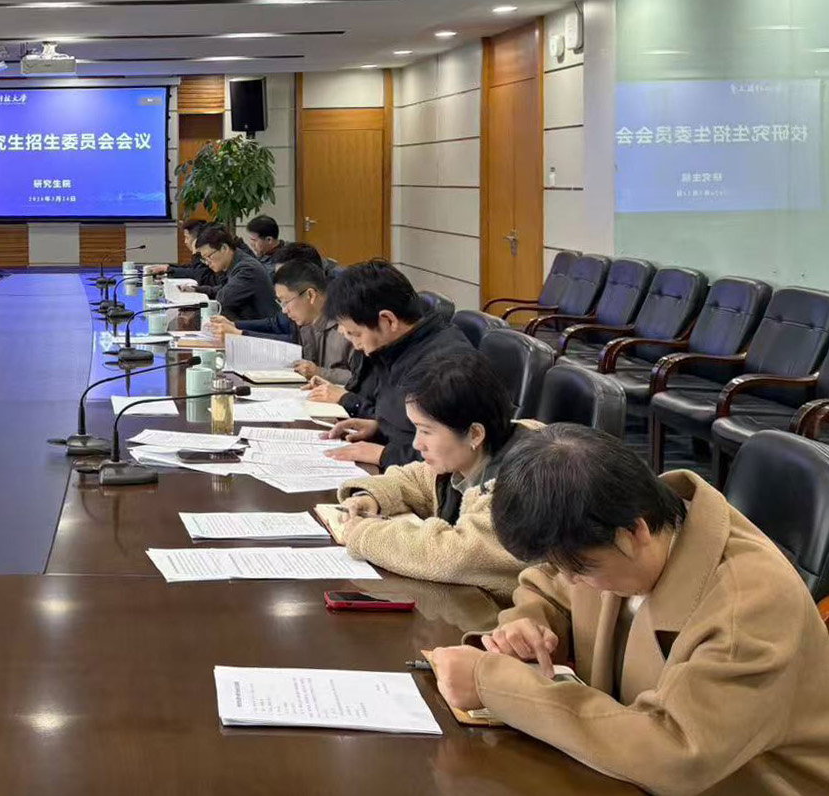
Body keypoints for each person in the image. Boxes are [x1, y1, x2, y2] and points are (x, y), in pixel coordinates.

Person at [428, 425, 829, 796]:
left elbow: (676, 752)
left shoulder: (750, 605)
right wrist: (529, 623)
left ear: (635, 530)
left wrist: (494, 684)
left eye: (580, 569)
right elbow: (549, 587)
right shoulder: (620, 534)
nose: (572, 580)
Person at [334, 353, 532, 599]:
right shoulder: (468, 456)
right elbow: (416, 479)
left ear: (475, 434)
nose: (417, 444)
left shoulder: (525, 481)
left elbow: (455, 556)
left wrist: (364, 534)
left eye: (426, 431)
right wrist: (370, 497)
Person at [308, 260, 475, 468]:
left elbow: (456, 454)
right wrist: (379, 428)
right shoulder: (396, 348)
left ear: (388, 320)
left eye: (355, 333)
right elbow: (407, 425)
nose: (354, 344)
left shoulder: (443, 365)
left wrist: (384, 454)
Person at [207, 260, 355, 383]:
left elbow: (361, 381)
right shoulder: (305, 321)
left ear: (310, 295)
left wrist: (319, 372)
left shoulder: (350, 326)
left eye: (285, 302)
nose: (284, 310)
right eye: (280, 303)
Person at [195, 225, 280, 322]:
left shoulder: (247, 269)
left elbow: (223, 300)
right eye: (204, 259)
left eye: (209, 256)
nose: (207, 263)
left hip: (261, 327)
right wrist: (196, 290)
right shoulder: (236, 262)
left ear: (224, 248)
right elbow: (223, 288)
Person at [144, 220, 219, 288]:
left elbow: (199, 275)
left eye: (187, 238)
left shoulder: (211, 258)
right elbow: (191, 268)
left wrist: (195, 253)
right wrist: (168, 268)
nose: (185, 242)